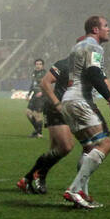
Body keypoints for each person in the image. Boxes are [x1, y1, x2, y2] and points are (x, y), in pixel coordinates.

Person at [58, 16, 110, 209]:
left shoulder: (77, 47)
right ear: (95, 29)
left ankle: (83, 195)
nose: (109, 29)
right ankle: (74, 189)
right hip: (80, 100)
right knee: (105, 144)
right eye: (106, 26)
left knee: (88, 148)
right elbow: (94, 73)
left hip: (68, 100)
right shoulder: (94, 47)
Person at [16, 51, 86, 195]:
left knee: (55, 150)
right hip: (56, 108)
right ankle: (36, 176)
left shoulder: (85, 67)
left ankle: (30, 179)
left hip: (68, 108)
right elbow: (45, 83)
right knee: (66, 147)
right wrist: (57, 104)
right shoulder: (64, 64)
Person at [25, 58, 48, 138]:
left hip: (41, 97)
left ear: (43, 65)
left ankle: (39, 134)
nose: (38, 66)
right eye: (37, 64)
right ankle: (36, 130)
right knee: (28, 113)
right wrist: (28, 94)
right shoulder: (34, 73)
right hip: (34, 95)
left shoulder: (45, 74)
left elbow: (48, 84)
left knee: (36, 114)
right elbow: (33, 84)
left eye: (40, 64)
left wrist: (42, 92)